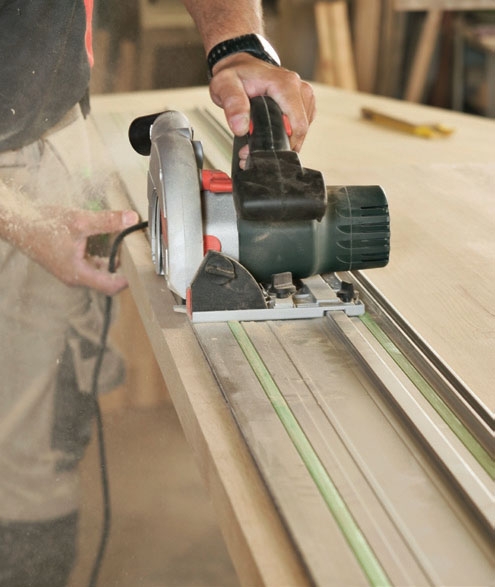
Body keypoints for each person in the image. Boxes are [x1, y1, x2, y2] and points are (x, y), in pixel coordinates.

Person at [0, 1, 315, 585]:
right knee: (17, 473)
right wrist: (19, 217)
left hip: (50, 129)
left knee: (48, 435)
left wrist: (236, 44)